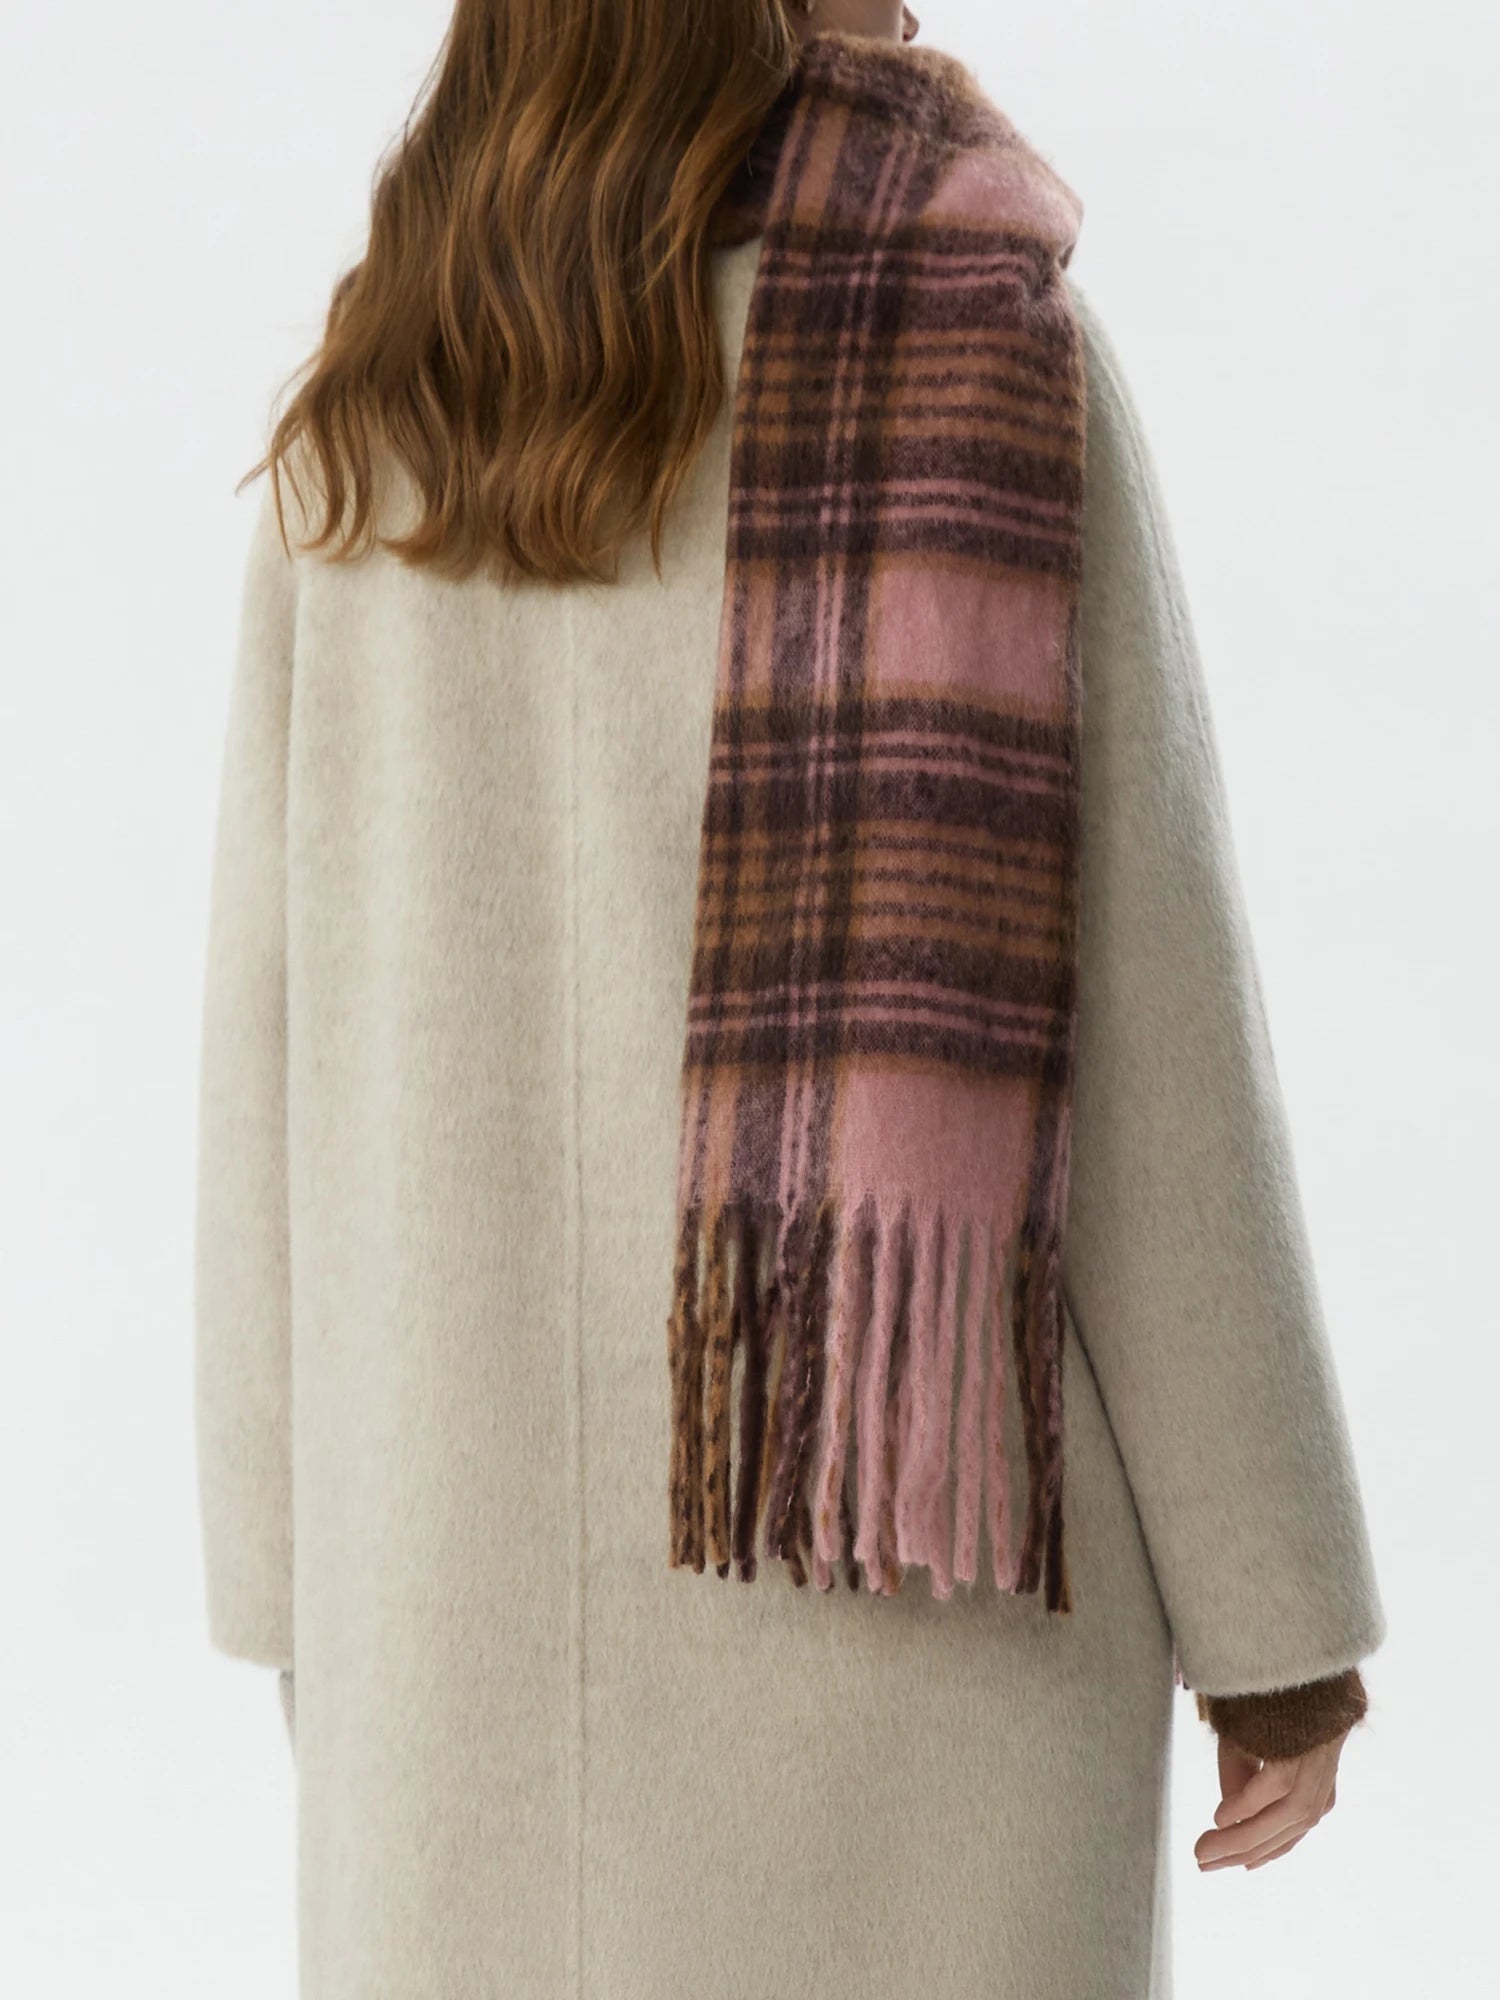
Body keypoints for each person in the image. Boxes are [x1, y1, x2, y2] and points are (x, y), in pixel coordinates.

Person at [191, 4, 1386, 1995]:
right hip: (924, 1650)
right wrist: (1281, 1632)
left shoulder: (377, 411)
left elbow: (264, 1063)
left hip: (455, 1636)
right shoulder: (994, 356)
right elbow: (1160, 1057)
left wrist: (300, 1588)